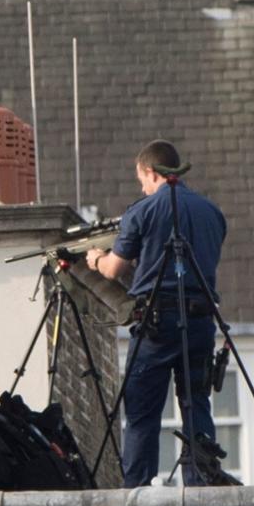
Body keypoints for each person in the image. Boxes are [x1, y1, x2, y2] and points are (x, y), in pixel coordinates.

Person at [86, 139, 227, 488]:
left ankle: (138, 489)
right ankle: (200, 484)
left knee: (142, 411)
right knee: (196, 402)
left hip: (156, 324)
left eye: (142, 181)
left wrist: (95, 259)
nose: (143, 188)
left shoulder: (143, 211)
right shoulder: (212, 213)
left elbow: (114, 270)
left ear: (150, 172)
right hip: (199, 322)